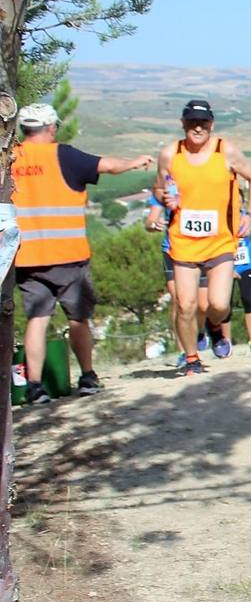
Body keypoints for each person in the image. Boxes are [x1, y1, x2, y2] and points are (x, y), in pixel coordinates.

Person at [11, 103, 153, 403]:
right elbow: (107, 166)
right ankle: (87, 376)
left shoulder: (9, 159)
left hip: (26, 257)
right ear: (51, 127)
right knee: (78, 318)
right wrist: (134, 162)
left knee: (37, 320)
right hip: (68, 255)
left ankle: (35, 387)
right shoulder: (62, 155)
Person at [152, 99, 251, 376]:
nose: (197, 128)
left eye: (203, 123)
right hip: (183, 242)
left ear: (211, 124)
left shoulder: (227, 151)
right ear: (183, 124)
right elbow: (158, 187)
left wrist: (249, 215)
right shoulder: (169, 154)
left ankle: (213, 326)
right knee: (185, 305)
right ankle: (191, 359)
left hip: (221, 242)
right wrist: (161, 199)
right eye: (191, 122)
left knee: (219, 305)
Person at [145, 193, 213, 365]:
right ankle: (185, 352)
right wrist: (154, 224)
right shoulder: (166, 189)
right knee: (179, 301)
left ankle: (198, 332)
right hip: (172, 251)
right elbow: (149, 222)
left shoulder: (203, 183)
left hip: (203, 249)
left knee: (203, 304)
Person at [222, 206, 251, 353]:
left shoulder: (248, 219)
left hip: (246, 265)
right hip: (227, 267)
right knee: (225, 304)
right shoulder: (223, 218)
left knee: (248, 299)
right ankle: (226, 343)